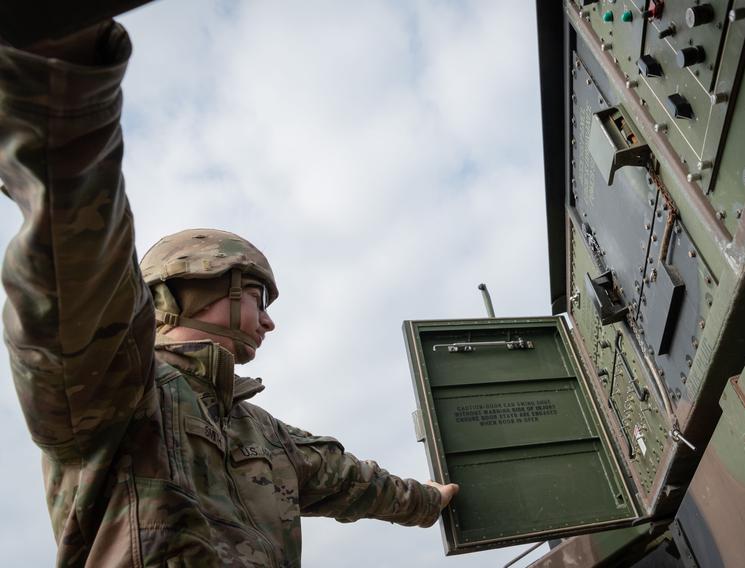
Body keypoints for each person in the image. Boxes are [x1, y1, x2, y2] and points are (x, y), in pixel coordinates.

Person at [0, 20, 457, 566]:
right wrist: (68, 89)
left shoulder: (261, 433)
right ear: (195, 289)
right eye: (259, 299)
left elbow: (356, 481)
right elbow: (80, 268)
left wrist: (431, 501)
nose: (269, 323)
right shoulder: (118, 385)